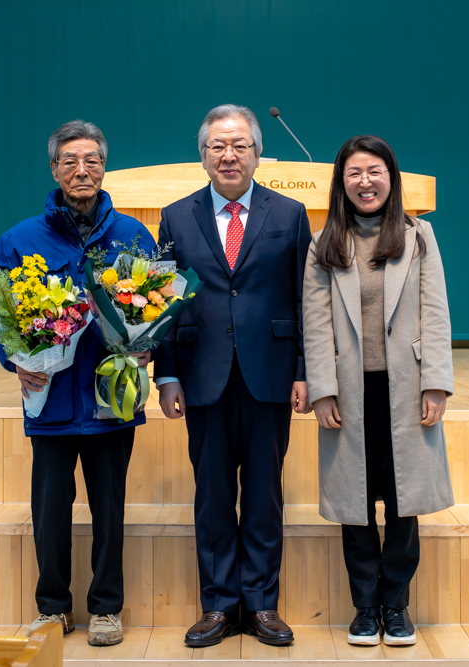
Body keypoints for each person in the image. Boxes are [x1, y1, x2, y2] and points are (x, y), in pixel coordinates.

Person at [0, 120, 155, 646]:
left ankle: (106, 609)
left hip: (111, 398)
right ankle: (53, 608)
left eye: (92, 160)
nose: (82, 170)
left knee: (109, 510)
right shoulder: (19, 240)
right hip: (52, 400)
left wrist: (148, 344)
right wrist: (14, 361)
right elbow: (0, 317)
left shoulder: (133, 235)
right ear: (54, 169)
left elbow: (156, 305)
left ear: (104, 167)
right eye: (70, 161)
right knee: (51, 512)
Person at [154, 104, 312, 647]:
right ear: (202, 156)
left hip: (271, 374)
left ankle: (261, 603)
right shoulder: (175, 217)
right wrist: (167, 376)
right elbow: (161, 304)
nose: (229, 155)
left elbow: (304, 298)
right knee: (213, 496)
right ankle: (219, 605)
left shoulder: (290, 214)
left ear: (258, 154)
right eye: (217, 146)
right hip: (203, 376)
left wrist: (304, 371)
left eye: (240, 145)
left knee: (265, 495)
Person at [301, 135, 454, 647]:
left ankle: (397, 606)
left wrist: (436, 382)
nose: (365, 182)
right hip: (349, 390)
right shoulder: (323, 243)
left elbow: (435, 313)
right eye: (354, 173)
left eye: (374, 172)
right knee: (356, 503)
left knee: (404, 500)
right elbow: (316, 323)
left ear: (391, 177)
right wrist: (322, 389)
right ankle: (365, 607)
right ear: (340, 182)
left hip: (406, 388)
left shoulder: (419, 236)